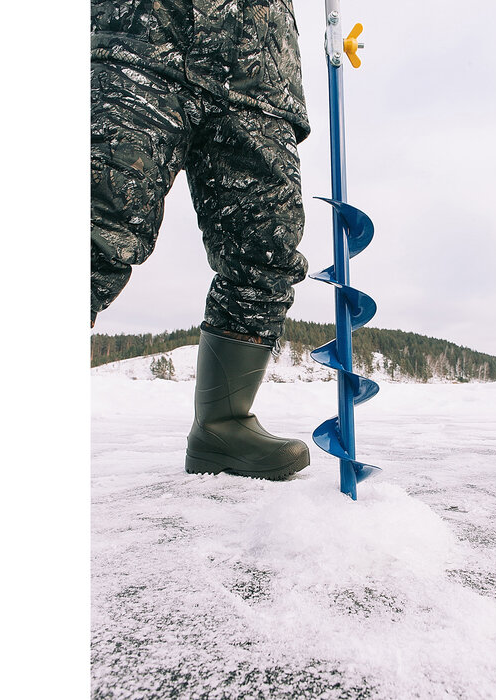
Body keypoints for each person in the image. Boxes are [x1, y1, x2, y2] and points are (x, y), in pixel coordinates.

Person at [91, 0, 311, 479]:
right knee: (98, 221)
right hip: (144, 35)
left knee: (266, 250)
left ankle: (222, 427)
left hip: (259, 67)